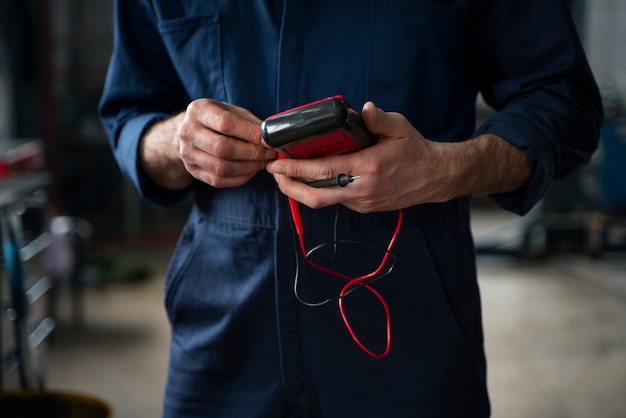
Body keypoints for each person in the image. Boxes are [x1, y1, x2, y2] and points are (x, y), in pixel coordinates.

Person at [98, 1, 603, 417]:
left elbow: (562, 102)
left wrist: (445, 169)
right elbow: (129, 116)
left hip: (411, 328)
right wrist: (178, 141)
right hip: (221, 333)